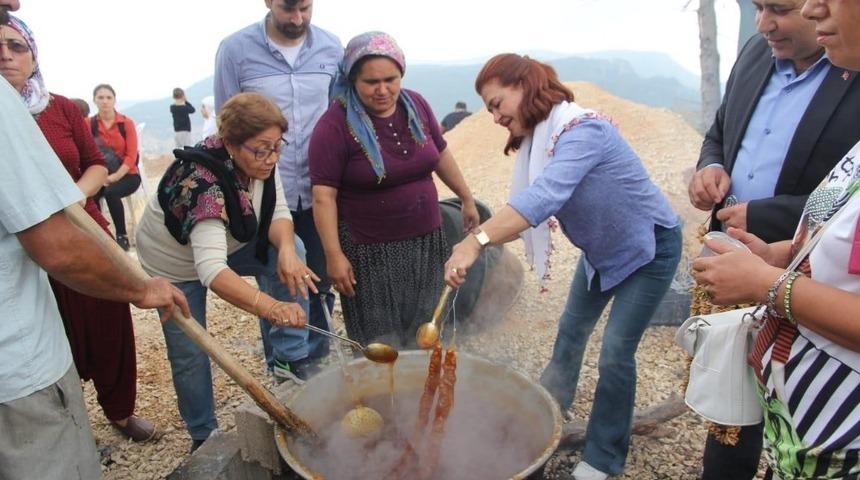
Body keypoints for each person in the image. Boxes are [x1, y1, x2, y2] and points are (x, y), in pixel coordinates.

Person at [443, 54, 681, 480]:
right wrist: (475, 242)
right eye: (490, 110)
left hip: (649, 248)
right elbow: (524, 211)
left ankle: (603, 457)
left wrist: (475, 242)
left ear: (524, 86)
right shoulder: (541, 140)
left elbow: (544, 197)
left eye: (497, 104)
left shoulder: (584, 131)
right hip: (601, 252)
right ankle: (549, 407)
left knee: (615, 352)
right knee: (571, 329)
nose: (495, 117)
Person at [0, 4, 189, 476]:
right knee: (64, 338)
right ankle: (74, 413)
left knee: (107, 325)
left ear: (34, 56)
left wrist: (70, 195)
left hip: (80, 225)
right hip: (43, 253)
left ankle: (118, 409)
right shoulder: (5, 111)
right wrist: (143, 287)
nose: (6, 55)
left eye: (16, 45)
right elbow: (49, 240)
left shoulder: (59, 108)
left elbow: (96, 163)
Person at [687, 1, 860, 476]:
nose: (764, 23)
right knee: (731, 404)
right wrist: (712, 165)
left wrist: (768, 274)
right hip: (758, 263)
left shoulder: (849, 69)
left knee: (761, 417)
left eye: (780, 8)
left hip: (836, 411)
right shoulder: (754, 53)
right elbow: (720, 131)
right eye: (758, 6)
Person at [135, 92, 316, 452]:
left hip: (230, 240)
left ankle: (289, 360)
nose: (272, 158)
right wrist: (271, 307)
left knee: (293, 249)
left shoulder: (262, 160)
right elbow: (213, 271)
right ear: (231, 144)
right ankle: (203, 434)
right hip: (175, 263)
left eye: (277, 147)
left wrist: (285, 250)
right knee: (189, 350)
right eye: (261, 150)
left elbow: (278, 211)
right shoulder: (204, 186)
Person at [309, 31, 479, 348]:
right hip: (370, 253)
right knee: (381, 342)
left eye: (391, 79)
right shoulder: (334, 125)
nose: (383, 90)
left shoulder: (417, 105)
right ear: (352, 79)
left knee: (427, 331)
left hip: (427, 242)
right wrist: (333, 255)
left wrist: (466, 198)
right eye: (371, 82)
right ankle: (381, 384)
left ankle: (423, 381)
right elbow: (323, 197)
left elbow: (440, 154)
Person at [91, 83, 141, 251]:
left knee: (111, 192)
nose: (105, 101)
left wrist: (114, 177)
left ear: (114, 100)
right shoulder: (89, 124)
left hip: (128, 174)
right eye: (100, 97)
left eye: (108, 97)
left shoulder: (125, 123)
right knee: (92, 194)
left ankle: (121, 236)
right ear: (94, 100)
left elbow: (131, 155)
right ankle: (99, 236)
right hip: (101, 174)